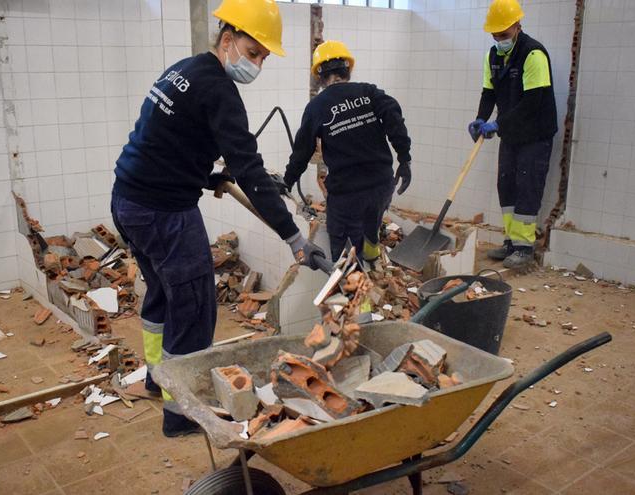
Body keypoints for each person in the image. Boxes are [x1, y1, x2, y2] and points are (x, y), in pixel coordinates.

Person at [111, 0, 324, 437]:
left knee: (164, 297)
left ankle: (158, 378)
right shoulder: (220, 92)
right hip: (164, 213)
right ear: (227, 40)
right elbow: (250, 168)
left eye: (263, 56)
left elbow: (161, 139)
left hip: (128, 199)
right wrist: (293, 237)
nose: (257, 62)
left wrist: (203, 175)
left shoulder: (183, 70)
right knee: (193, 308)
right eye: (253, 50)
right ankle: (182, 414)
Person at [281, 40, 411, 262]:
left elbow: (302, 151)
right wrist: (404, 158)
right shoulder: (368, 92)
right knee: (371, 228)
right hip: (381, 185)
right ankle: (371, 260)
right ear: (347, 69)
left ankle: (351, 287)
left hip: (348, 194)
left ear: (320, 76)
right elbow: (393, 116)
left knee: (343, 255)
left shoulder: (317, 106)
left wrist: (287, 181)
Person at [468, 0, 557, 269]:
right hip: (511, 132)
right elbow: (489, 92)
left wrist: (498, 125)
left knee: (527, 185)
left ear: (517, 26)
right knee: (505, 183)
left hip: (535, 133)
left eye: (503, 35)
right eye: (495, 35)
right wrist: (481, 118)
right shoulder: (493, 56)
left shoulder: (533, 54)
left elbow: (533, 101)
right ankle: (511, 241)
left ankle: (524, 247)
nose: (499, 39)